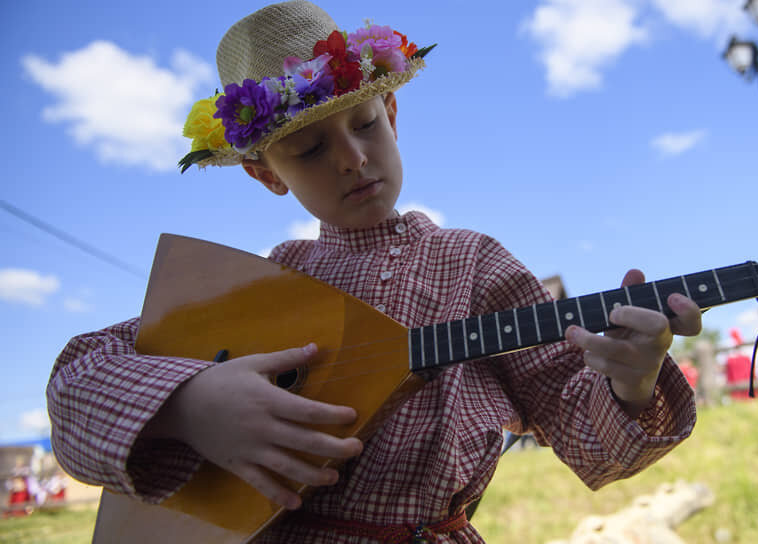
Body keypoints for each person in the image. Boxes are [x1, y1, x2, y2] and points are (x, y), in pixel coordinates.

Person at [46, 2, 702, 542]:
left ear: (391, 113)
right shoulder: (265, 285)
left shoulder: (473, 263)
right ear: (266, 175)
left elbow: (588, 435)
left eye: (364, 124)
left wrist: (630, 382)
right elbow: (77, 378)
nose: (353, 159)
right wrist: (191, 407)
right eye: (309, 148)